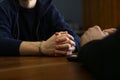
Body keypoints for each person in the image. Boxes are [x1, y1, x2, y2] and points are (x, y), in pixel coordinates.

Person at [0, 0, 80, 56]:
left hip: (44, 68)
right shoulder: (4, 8)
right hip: (13, 68)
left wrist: (69, 45)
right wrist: (42, 47)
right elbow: (1, 42)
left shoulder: (49, 9)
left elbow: (75, 38)